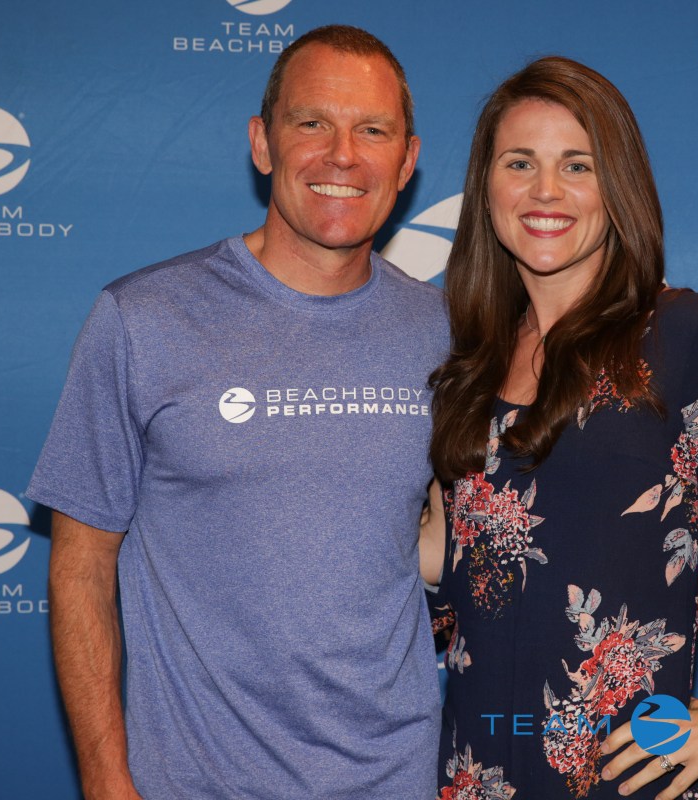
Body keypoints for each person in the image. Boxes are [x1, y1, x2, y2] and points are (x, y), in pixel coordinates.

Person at [421, 56, 698, 800]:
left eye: (578, 165)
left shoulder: (690, 336)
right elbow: (447, 556)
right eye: (519, 162)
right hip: (473, 770)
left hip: (628, 776)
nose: (545, 190)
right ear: (486, 186)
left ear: (618, 187)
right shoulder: (469, 359)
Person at [28, 25, 446, 799]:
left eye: (372, 130)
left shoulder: (446, 333)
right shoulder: (144, 319)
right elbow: (80, 566)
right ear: (262, 142)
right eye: (312, 123)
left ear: (406, 160)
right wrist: (105, 779)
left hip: (399, 779)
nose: (342, 155)